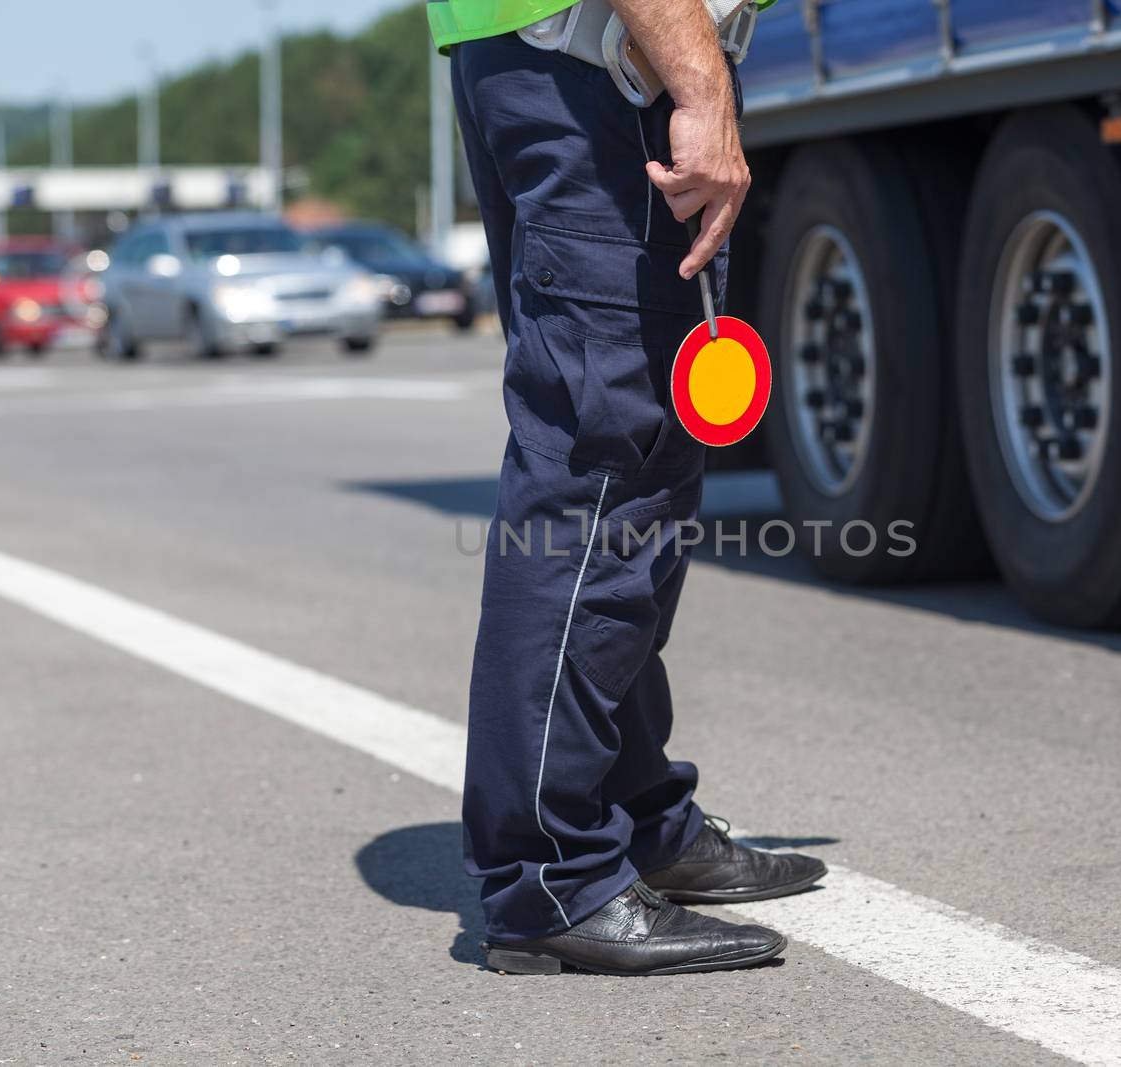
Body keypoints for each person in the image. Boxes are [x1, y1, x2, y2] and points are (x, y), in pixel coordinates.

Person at [428, 0, 827, 976]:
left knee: (638, 467)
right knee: (599, 471)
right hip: (603, 66)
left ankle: (633, 812)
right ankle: (554, 871)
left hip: (565, 59)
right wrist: (697, 78)